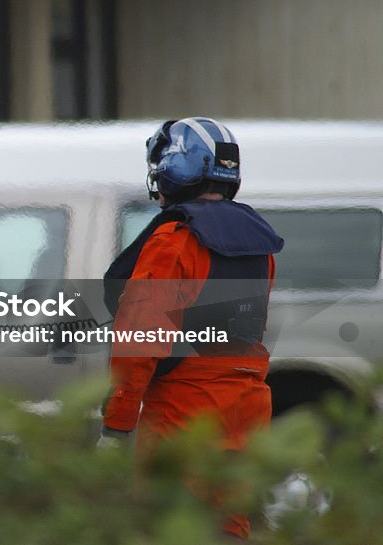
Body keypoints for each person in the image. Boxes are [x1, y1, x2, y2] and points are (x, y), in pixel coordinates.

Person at [100, 117, 284, 540]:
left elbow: (141, 340)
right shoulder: (259, 243)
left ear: (175, 169)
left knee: (171, 526)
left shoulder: (174, 240)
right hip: (247, 409)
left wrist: (117, 426)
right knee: (231, 526)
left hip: (183, 413)